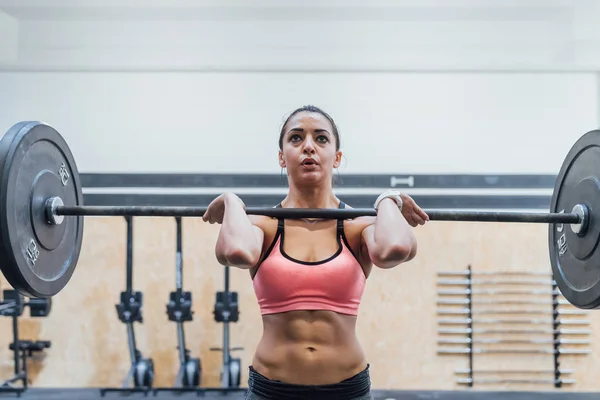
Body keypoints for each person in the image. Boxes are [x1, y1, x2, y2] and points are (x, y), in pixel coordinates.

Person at [203, 105, 429, 399]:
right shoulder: (265, 225)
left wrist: (388, 199)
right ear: (282, 157)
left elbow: (395, 249)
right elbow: (235, 252)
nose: (308, 146)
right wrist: (232, 200)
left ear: (336, 157)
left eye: (321, 139)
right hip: (272, 390)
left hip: (347, 390)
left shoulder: (355, 225)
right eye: (296, 138)